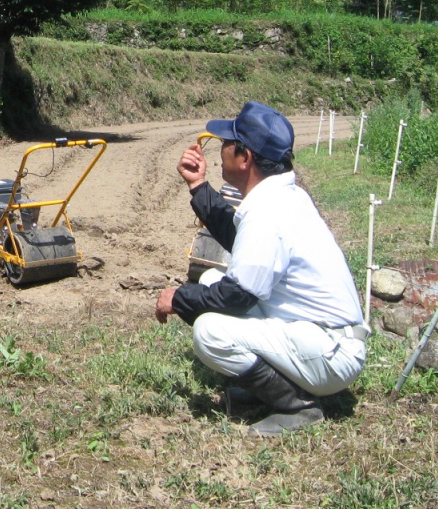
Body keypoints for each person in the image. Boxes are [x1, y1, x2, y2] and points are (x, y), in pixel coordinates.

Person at [154, 101, 367, 436]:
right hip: (323, 339)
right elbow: (240, 240)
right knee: (211, 277)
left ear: (245, 157)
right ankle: (271, 386)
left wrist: (179, 298)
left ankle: (296, 406)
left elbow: (237, 297)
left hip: (330, 355)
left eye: (227, 143)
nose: (220, 149)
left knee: (210, 331)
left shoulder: (268, 213)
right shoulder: (282, 197)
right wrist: (198, 185)